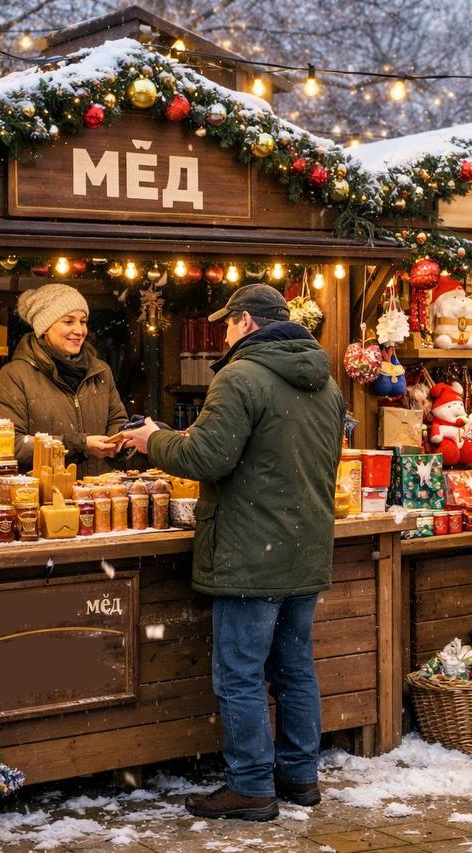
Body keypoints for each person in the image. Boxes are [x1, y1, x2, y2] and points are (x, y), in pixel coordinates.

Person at [122, 284, 344, 821]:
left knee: (240, 674)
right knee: (294, 670)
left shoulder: (239, 376)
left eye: (226, 323)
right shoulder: (327, 383)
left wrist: (152, 438)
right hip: (302, 547)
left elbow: (207, 456)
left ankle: (250, 785)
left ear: (246, 323)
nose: (221, 333)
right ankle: (298, 777)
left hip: (250, 553)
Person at [0, 283, 130, 476]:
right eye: (69, 321)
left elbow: (117, 420)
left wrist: (123, 439)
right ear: (45, 327)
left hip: (95, 497)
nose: (80, 330)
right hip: (43, 499)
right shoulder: (16, 375)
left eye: (83, 321)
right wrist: (78, 445)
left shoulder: (100, 372)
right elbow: (8, 444)